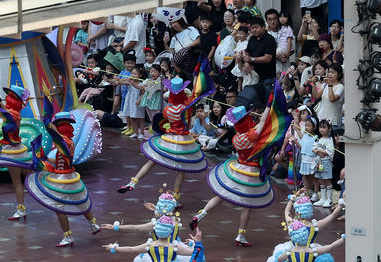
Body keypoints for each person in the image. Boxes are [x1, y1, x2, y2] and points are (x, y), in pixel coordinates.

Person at [190, 95, 291, 246]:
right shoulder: (252, 135)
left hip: (237, 169)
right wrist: (269, 106)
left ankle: (200, 215)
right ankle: (240, 235)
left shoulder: (236, 138)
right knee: (247, 205)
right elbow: (263, 122)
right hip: (250, 173)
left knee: (222, 194)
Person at [117, 76, 211, 199]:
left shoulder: (167, 109)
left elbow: (164, 119)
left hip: (169, 137)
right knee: (182, 169)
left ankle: (133, 182)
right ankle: (175, 196)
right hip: (183, 140)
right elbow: (195, 93)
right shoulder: (186, 107)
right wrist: (196, 74)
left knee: (152, 160)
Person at [25, 105, 102, 247]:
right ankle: (93, 224)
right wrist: (45, 158)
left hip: (63, 178)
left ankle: (68, 236)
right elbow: (60, 160)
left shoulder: (64, 142)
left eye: (58, 126)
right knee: (80, 201)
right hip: (67, 175)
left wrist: (49, 124)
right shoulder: (66, 142)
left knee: (59, 207)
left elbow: (56, 138)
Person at [0, 85, 34, 220]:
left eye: (9, 96)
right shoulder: (13, 113)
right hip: (16, 149)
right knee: (30, 176)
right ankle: (25, 205)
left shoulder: (12, 115)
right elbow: (1, 109)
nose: (7, 98)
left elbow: (2, 111)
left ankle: (21, 209)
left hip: (12, 151)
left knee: (18, 182)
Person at [244, 16, 277, 84]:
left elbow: (267, 58)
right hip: (253, 75)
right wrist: (246, 62)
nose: (254, 30)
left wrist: (252, 59)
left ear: (263, 27)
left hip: (267, 76)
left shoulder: (270, 39)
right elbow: (247, 53)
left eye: (256, 27)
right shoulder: (252, 39)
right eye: (252, 28)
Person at [312, 120, 336, 207]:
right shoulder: (318, 138)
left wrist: (319, 150)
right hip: (319, 161)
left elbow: (329, 151)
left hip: (326, 162)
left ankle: (329, 199)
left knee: (327, 179)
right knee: (320, 179)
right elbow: (314, 148)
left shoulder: (330, 140)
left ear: (329, 129)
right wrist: (319, 152)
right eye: (320, 127)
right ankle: (323, 198)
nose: (321, 129)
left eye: (324, 127)